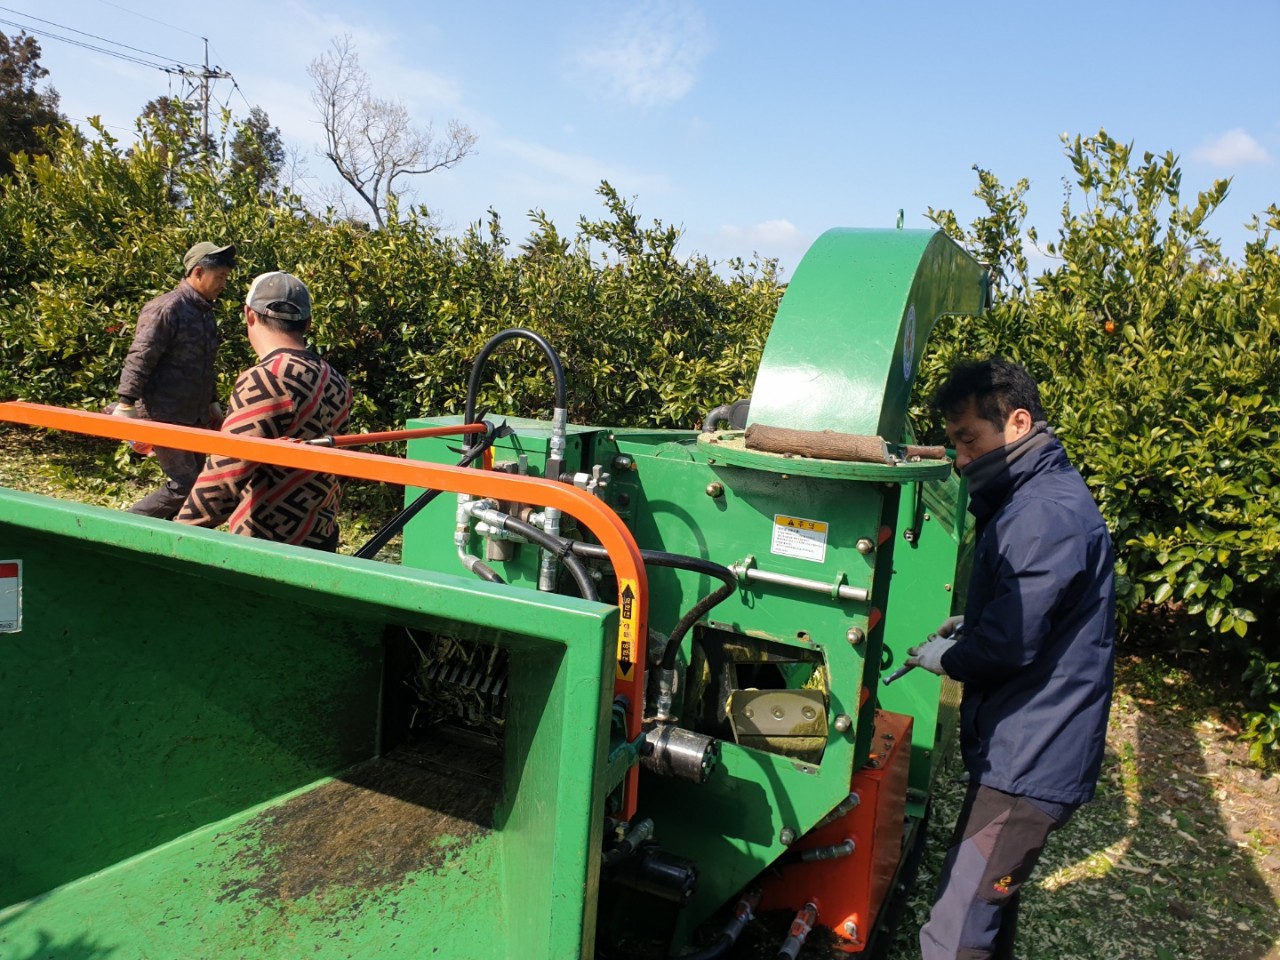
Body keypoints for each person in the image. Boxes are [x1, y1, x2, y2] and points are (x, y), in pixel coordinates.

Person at [907, 357, 1116, 960]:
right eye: (954, 442)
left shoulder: (1043, 512)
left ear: (1018, 422)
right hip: (1024, 744)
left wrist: (950, 657)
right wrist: (980, 621)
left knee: (956, 929)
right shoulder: (1036, 496)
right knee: (986, 911)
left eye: (969, 438)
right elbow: (1037, 610)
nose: (961, 458)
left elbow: (1010, 642)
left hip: (1031, 758)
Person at [175, 271, 352, 551]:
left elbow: (225, 474)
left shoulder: (267, 377)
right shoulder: (336, 379)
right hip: (321, 535)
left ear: (249, 315)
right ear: (307, 323)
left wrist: (176, 538)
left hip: (267, 547)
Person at [113, 241, 237, 518]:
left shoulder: (205, 314)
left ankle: (163, 535)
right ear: (197, 272)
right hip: (163, 413)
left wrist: (212, 402)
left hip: (192, 413)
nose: (223, 284)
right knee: (185, 485)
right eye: (220, 277)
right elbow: (141, 355)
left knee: (201, 482)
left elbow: (205, 364)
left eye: (225, 278)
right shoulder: (166, 308)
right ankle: (125, 526)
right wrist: (126, 402)